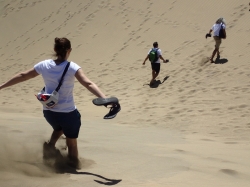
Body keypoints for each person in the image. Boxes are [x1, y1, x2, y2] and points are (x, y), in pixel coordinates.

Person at [0, 37, 107, 169]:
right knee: (71, 142)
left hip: (49, 112)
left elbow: (23, 75)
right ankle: (73, 166)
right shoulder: (73, 67)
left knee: (59, 127)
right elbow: (88, 83)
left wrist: (1, 86)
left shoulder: (44, 65)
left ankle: (50, 145)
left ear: (55, 49)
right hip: (68, 113)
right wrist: (104, 98)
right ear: (69, 51)